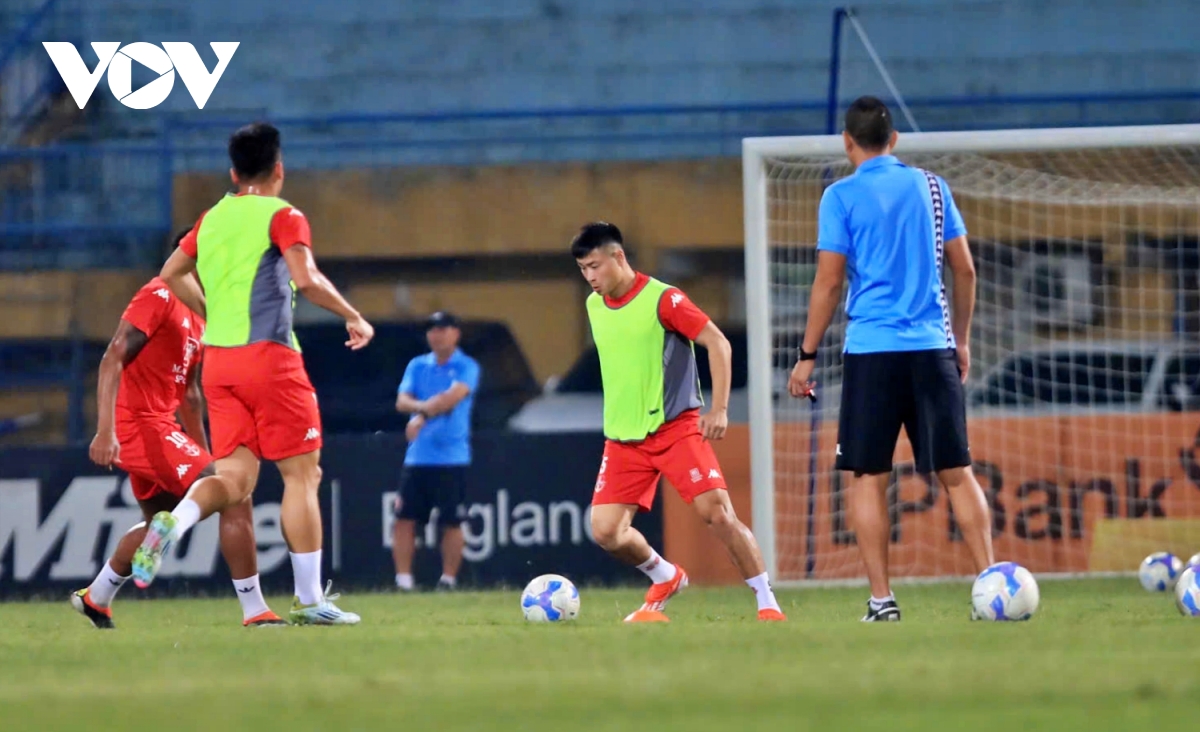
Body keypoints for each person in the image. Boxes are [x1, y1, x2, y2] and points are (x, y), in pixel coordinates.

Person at [134, 122, 375, 625]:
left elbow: (170, 273)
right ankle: (310, 601)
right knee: (302, 475)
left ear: (232, 172)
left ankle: (172, 525)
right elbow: (306, 280)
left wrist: (213, 316)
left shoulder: (212, 218)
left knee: (236, 478)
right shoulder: (283, 214)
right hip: (270, 358)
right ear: (279, 169)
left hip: (219, 364)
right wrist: (352, 315)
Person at [786, 96, 995, 622]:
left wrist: (807, 355)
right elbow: (965, 270)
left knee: (868, 477)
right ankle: (993, 591)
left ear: (847, 142)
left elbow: (830, 281)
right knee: (957, 471)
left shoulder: (839, 196)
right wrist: (962, 341)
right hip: (931, 348)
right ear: (894, 138)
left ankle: (882, 602)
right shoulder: (933, 187)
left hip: (873, 353)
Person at [571, 222, 785, 623]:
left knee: (717, 514)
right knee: (605, 531)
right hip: (623, 438)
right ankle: (665, 576)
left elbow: (717, 343)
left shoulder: (664, 299)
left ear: (618, 256)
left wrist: (719, 409)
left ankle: (767, 603)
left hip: (675, 428)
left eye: (595, 266)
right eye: (583, 269)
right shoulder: (593, 306)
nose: (590, 277)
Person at [74, 269, 284, 628]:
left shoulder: (199, 316)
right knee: (234, 494)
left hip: (161, 427)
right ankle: (255, 610)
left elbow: (189, 395)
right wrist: (105, 432)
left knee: (160, 521)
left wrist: (204, 456)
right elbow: (112, 357)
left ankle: (97, 596)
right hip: (140, 425)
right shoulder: (158, 294)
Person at [392, 311, 480, 592]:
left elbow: (452, 398)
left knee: (451, 521)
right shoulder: (417, 365)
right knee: (404, 519)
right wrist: (419, 409)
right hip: (418, 457)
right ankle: (403, 581)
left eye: (443, 328)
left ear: (455, 333)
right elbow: (402, 401)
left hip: (452, 457)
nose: (437, 334)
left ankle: (448, 580)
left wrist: (420, 414)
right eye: (432, 329)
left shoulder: (467, 366)